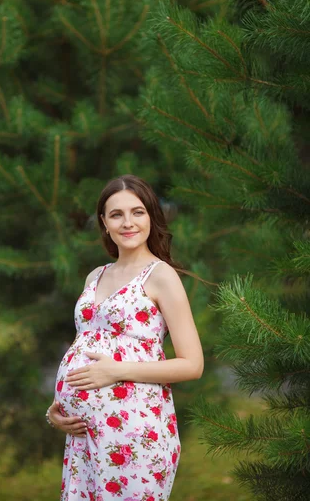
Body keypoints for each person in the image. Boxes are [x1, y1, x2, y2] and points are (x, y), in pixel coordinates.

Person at [46, 174, 204, 500]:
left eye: (138, 212)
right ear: (104, 222)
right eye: (116, 214)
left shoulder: (161, 276)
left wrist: (117, 370)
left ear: (151, 217)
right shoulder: (95, 276)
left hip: (135, 433)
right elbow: (85, 346)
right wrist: (59, 408)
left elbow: (192, 365)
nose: (127, 222)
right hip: (84, 435)